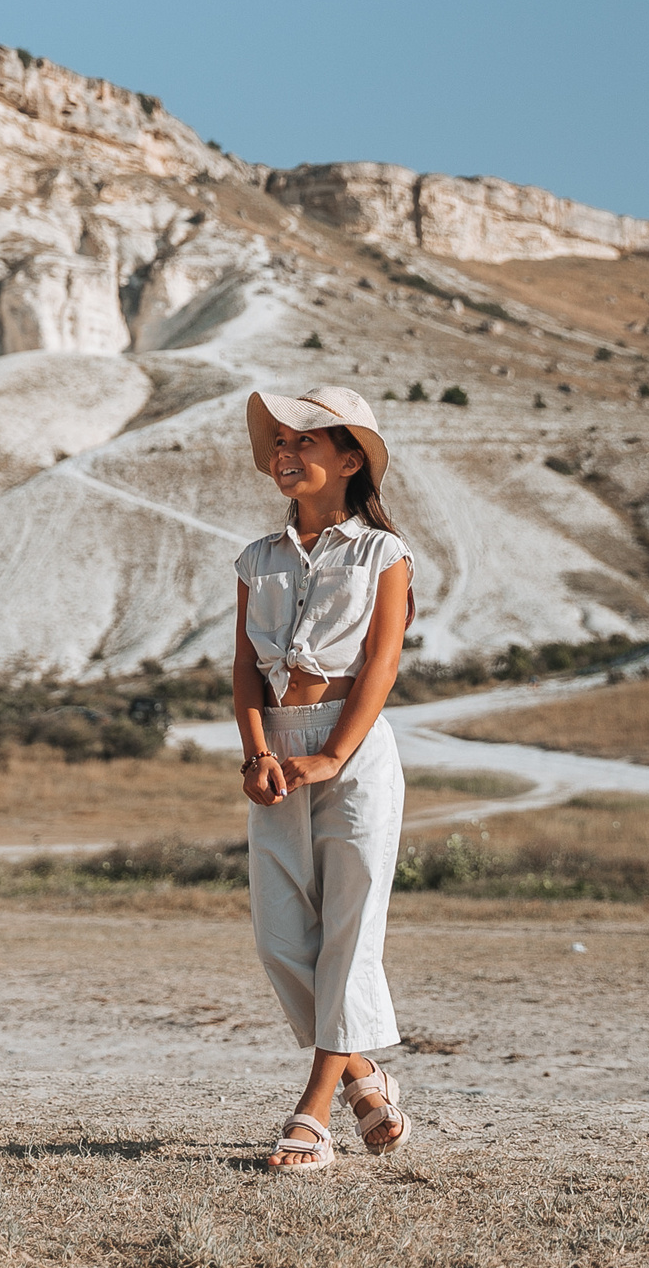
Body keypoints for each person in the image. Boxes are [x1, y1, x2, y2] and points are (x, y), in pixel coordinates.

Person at [231, 385, 415, 1170]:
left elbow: (381, 662)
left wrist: (334, 754)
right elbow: (243, 673)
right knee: (281, 940)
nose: (285, 452)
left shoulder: (385, 555)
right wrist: (257, 752)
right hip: (277, 751)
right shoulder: (255, 559)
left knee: (349, 932)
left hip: (355, 748)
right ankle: (365, 1073)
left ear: (348, 460)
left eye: (304, 440)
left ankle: (314, 1109)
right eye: (277, 441)